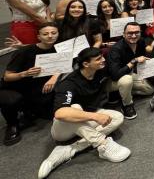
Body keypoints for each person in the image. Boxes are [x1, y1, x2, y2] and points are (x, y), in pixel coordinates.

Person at [37, 48, 130, 179]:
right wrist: (95, 116)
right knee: (74, 108)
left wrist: (134, 61)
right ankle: (102, 144)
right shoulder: (69, 83)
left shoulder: (100, 70)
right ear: (86, 64)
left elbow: (117, 72)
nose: (103, 60)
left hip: (87, 118)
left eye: (102, 57)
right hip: (63, 130)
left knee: (118, 117)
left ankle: (71, 149)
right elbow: (60, 113)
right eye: (98, 59)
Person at [0, 23, 59, 145]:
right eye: (45, 34)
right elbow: (7, 76)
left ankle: (28, 109)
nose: (50, 36)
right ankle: (12, 125)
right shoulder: (23, 52)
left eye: (53, 33)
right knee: (10, 100)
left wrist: (53, 78)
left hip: (37, 86)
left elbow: (63, 66)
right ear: (39, 36)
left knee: (49, 114)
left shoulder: (58, 49)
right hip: (15, 87)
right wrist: (24, 73)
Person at [107, 22, 154, 119]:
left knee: (150, 90)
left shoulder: (141, 41)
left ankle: (121, 93)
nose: (133, 35)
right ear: (123, 34)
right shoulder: (115, 49)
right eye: (130, 33)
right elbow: (115, 75)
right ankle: (127, 104)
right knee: (126, 80)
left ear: (140, 33)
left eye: (136, 32)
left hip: (129, 73)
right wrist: (134, 61)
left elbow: (142, 60)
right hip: (112, 80)